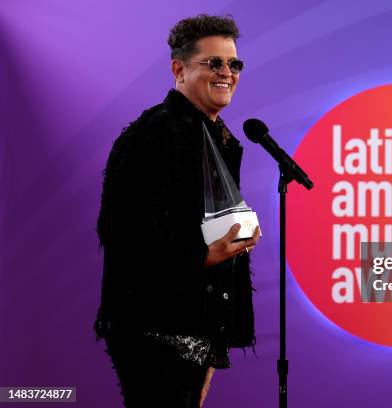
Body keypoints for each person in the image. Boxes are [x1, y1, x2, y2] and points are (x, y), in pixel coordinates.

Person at [93, 14, 260, 407]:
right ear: (178, 69)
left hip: (198, 323)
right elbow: (121, 233)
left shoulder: (219, 138)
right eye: (213, 63)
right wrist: (207, 253)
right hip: (155, 326)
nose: (227, 73)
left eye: (234, 64)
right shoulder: (154, 134)